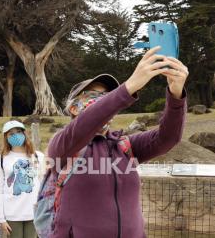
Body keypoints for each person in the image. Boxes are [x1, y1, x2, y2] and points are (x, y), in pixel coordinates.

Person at [48, 46, 188, 238]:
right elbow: (87, 122)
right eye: (94, 96)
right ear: (73, 108)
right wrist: (129, 86)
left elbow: (168, 138)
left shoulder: (124, 146)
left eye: (107, 97)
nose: (104, 102)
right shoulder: (63, 145)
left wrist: (176, 93)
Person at [0, 120, 45, 238]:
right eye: (11, 134)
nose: (15, 135)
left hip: (34, 213)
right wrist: (1, 218)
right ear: (6, 137)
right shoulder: (1, 160)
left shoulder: (38, 156)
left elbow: (44, 185)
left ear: (24, 134)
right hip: (12, 214)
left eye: (18, 132)